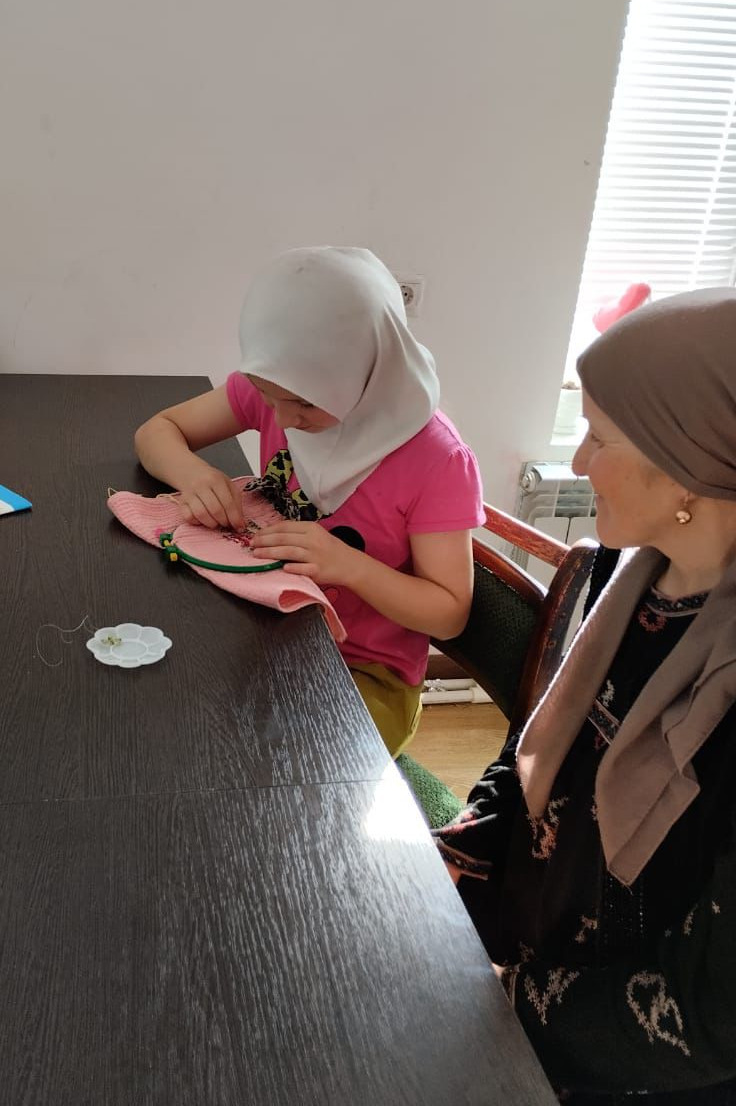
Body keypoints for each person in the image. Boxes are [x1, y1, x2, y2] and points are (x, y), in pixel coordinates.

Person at [434, 288, 736, 1104]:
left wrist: (500, 1003)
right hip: (527, 961)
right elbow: (534, 752)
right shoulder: (619, 570)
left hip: (626, 1066)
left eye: (599, 435)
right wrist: (444, 869)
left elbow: (709, 1014)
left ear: (689, 463)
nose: (576, 463)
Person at [134, 246, 484, 756]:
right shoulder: (283, 386)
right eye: (267, 397)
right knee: (164, 721)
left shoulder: (437, 460)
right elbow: (156, 432)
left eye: (302, 403)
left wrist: (349, 566)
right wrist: (194, 474)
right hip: (270, 630)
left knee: (268, 768)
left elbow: (449, 613)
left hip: (364, 674)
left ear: (367, 370)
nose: (282, 419)